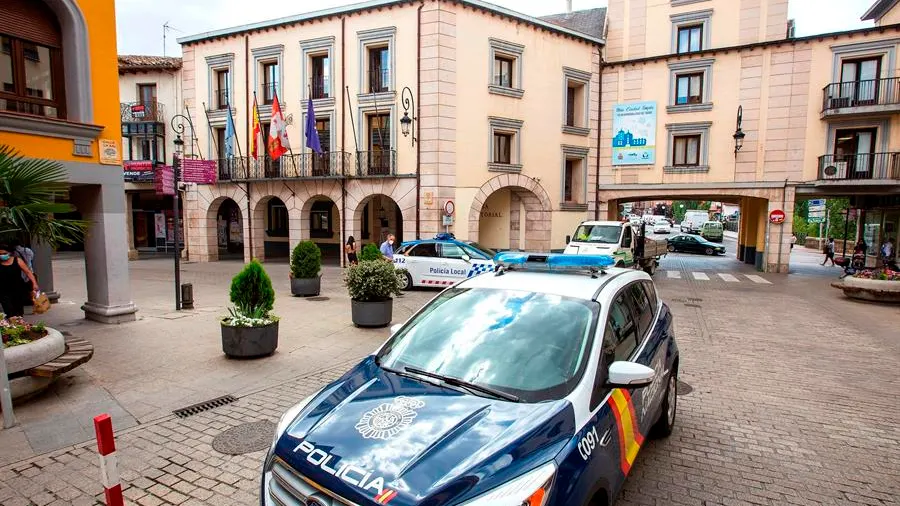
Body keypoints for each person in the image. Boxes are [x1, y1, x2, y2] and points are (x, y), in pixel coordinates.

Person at [0, 243, 39, 317]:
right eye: (0, 254)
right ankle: (12, 324)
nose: (2, 255)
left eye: (4, 253)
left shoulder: (17, 260)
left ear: (10, 253)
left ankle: (19, 324)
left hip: (18, 289)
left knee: (18, 311)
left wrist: (34, 283)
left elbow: (28, 272)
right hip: (3, 291)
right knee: (8, 311)